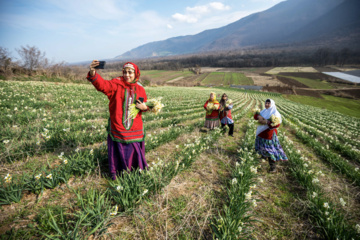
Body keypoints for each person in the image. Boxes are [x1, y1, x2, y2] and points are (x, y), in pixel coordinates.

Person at [87, 60, 148, 180]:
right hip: (118, 126)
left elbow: (145, 104)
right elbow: (102, 85)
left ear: (136, 74)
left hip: (134, 128)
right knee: (119, 151)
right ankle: (119, 174)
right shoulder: (116, 84)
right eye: (125, 72)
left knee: (133, 151)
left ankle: (136, 173)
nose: (127, 75)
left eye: (130, 72)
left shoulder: (140, 89)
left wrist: (144, 107)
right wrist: (93, 72)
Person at [254, 99, 288, 172]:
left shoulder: (275, 113)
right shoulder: (264, 111)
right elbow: (256, 116)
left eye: (268, 103)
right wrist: (258, 117)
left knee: (270, 150)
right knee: (261, 146)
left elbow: (276, 125)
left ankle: (273, 167)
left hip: (269, 135)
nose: (267, 104)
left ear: (272, 104)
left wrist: (267, 122)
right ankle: (263, 156)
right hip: (261, 133)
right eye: (266, 103)